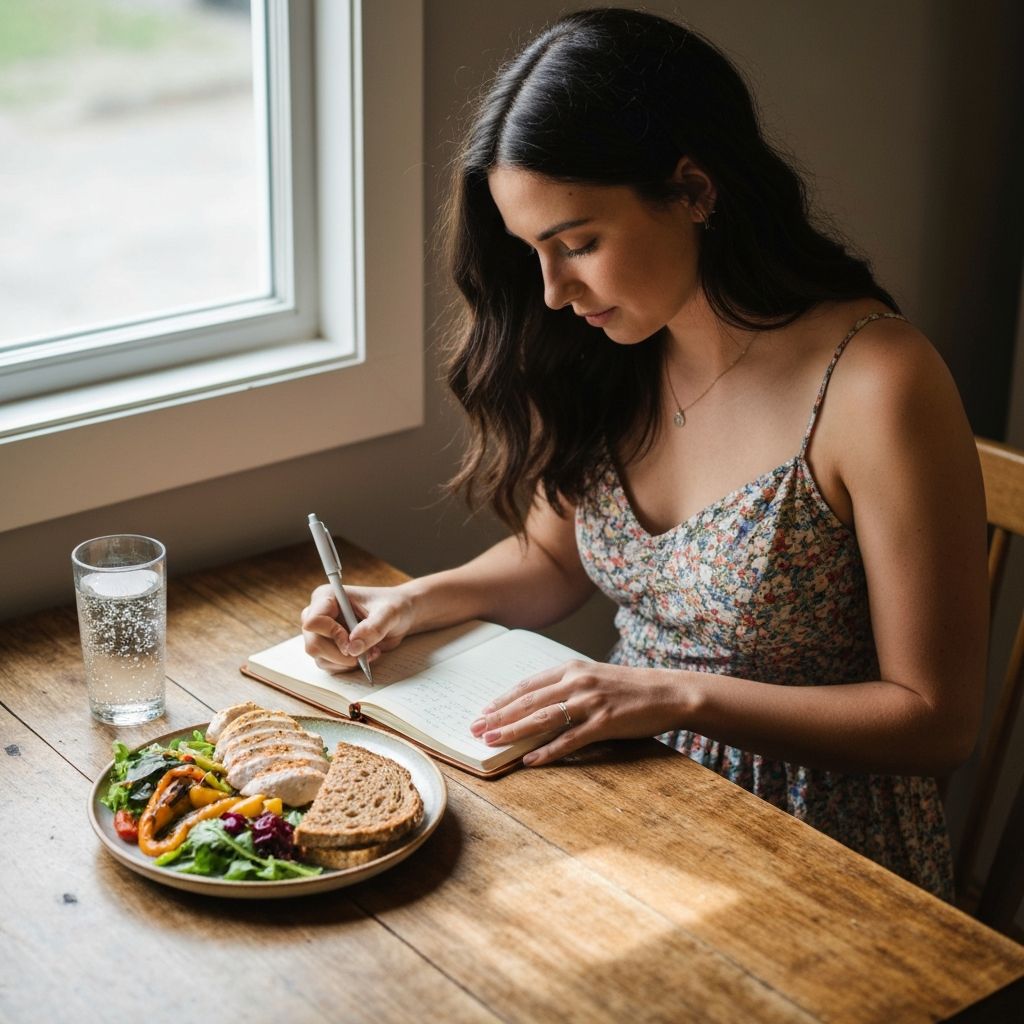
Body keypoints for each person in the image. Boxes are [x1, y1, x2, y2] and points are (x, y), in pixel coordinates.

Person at [300, 8, 988, 899]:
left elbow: (936, 721)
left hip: (821, 847)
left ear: (695, 190)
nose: (551, 292)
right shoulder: (614, 353)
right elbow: (554, 561)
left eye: (579, 244)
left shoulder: (877, 384)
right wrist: (408, 603)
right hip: (630, 789)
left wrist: (668, 695)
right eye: (532, 253)